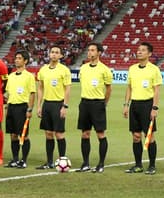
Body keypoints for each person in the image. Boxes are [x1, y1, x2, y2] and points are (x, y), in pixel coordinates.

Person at [123, 41, 162, 175]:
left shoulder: (154, 69)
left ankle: (152, 165)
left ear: (149, 54)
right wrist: (126, 105)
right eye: (138, 50)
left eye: (143, 50)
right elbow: (129, 87)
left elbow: (157, 90)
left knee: (149, 136)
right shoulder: (132, 68)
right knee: (136, 136)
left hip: (147, 105)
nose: (139, 52)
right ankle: (138, 165)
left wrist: (155, 108)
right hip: (135, 105)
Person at [77, 42, 113, 173]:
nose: (89, 52)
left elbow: (109, 89)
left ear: (99, 53)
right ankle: (85, 163)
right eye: (89, 50)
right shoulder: (83, 68)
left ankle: (101, 163)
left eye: (92, 50)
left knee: (100, 134)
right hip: (84, 103)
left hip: (98, 104)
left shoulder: (105, 69)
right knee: (85, 134)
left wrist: (104, 103)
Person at [35, 44, 71, 170]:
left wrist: (65, 106)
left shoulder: (64, 70)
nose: (54, 54)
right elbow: (40, 88)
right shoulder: (43, 70)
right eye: (52, 52)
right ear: (49, 54)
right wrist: (39, 106)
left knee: (59, 134)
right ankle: (49, 161)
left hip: (58, 104)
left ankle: (62, 160)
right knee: (48, 134)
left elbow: (67, 89)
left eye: (57, 52)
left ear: (61, 55)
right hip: (47, 104)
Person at [4, 51, 37, 168]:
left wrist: (30, 109)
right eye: (16, 58)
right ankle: (15, 159)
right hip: (11, 107)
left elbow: (32, 94)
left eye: (19, 58)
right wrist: (7, 106)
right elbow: (8, 93)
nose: (16, 60)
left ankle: (24, 160)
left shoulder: (29, 76)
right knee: (12, 135)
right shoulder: (11, 76)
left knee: (23, 135)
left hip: (22, 107)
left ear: (25, 61)